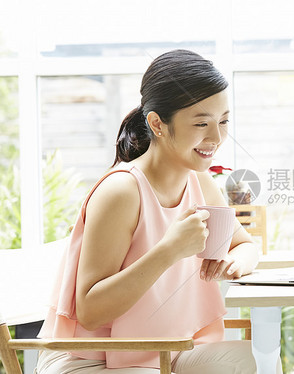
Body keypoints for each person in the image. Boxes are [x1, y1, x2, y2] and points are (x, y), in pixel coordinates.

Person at [36, 49, 263, 373]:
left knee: (249, 359)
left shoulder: (199, 182)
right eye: (201, 123)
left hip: (162, 351)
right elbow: (90, 310)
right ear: (157, 123)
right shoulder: (122, 191)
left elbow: (246, 245)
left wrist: (236, 261)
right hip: (90, 358)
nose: (216, 137)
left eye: (223, 121)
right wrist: (169, 250)